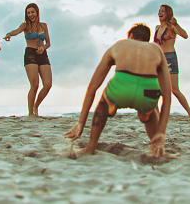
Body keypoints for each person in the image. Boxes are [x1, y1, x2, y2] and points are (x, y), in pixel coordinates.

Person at [64, 23, 178, 158]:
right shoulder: (156, 49)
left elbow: (93, 87)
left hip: (121, 87)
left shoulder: (120, 45)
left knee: (102, 104)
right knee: (151, 111)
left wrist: (81, 122)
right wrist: (161, 132)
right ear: (147, 39)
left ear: (130, 36)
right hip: (148, 92)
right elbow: (167, 96)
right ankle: (158, 148)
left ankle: (90, 148)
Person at [3, 3, 52, 118]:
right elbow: (16, 31)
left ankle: (36, 106)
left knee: (48, 84)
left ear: (37, 12)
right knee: (34, 85)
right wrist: (9, 34)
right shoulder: (25, 25)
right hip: (30, 55)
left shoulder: (44, 25)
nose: (30, 14)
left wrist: (43, 48)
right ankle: (30, 113)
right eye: (28, 13)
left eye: (32, 12)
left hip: (43, 55)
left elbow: (48, 43)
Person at [154, 4, 190, 123]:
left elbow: (185, 35)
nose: (160, 12)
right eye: (159, 11)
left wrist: (176, 24)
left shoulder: (171, 27)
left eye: (162, 11)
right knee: (156, 89)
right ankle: (157, 117)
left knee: (174, 90)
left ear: (168, 13)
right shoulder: (157, 28)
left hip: (170, 58)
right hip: (158, 58)